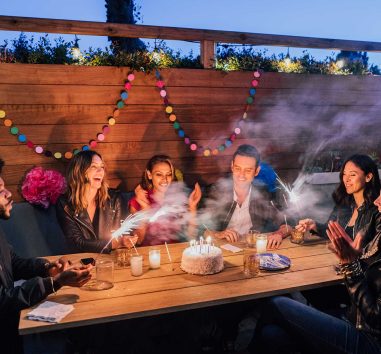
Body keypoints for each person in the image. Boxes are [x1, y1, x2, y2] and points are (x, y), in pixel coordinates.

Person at [255, 193, 381, 354]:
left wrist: (350, 265)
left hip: (369, 339)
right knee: (271, 334)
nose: (377, 200)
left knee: (276, 302)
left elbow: (375, 318)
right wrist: (355, 258)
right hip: (353, 316)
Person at [0, 158, 92, 354]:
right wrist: (55, 283)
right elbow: (3, 301)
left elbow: (13, 264)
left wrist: (47, 268)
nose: (8, 194)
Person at [202, 144, 288, 248]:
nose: (241, 175)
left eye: (248, 170)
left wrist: (278, 234)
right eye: (238, 168)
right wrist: (218, 234)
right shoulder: (218, 191)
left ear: (256, 171)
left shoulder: (263, 193)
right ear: (232, 166)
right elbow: (203, 228)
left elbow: (286, 224)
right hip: (221, 251)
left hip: (253, 250)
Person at [297, 154, 381, 261]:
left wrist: (355, 256)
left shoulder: (377, 210)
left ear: (368, 177)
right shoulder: (344, 205)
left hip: (362, 269)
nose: (346, 179)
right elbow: (332, 232)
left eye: (353, 175)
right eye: (344, 174)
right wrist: (315, 226)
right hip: (337, 262)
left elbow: (376, 251)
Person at [56, 150, 133, 253]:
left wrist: (126, 240)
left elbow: (120, 235)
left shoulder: (113, 200)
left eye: (102, 167)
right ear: (79, 171)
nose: (100, 171)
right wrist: (114, 244)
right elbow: (77, 242)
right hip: (80, 263)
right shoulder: (65, 204)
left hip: (109, 261)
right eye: (94, 167)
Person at [129, 154, 202, 246]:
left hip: (175, 254)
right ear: (149, 175)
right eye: (159, 174)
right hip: (149, 255)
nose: (165, 179)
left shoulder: (178, 198)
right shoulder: (138, 201)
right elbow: (137, 241)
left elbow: (191, 236)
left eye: (169, 174)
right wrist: (145, 210)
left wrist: (192, 207)